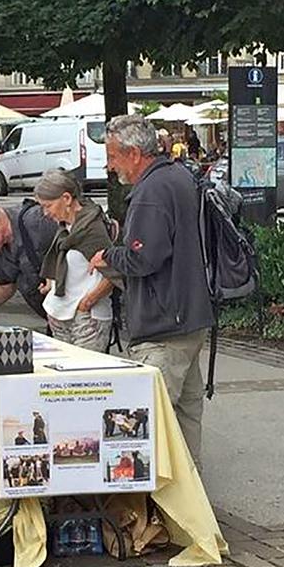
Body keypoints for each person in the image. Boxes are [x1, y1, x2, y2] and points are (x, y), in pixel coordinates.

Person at [90, 115, 214, 464]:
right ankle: (190, 497)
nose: (109, 165)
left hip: (164, 324)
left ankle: (161, 506)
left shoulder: (150, 191)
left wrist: (107, 256)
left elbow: (145, 258)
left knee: (149, 422)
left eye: (112, 156)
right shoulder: (178, 175)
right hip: (190, 315)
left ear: (132, 153)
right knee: (187, 415)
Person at [34, 170, 122, 353]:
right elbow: (64, 260)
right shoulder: (66, 226)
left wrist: (87, 303)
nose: (45, 213)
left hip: (86, 318)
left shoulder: (91, 227)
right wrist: (51, 282)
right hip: (61, 312)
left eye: (48, 206)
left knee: (84, 377)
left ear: (66, 198)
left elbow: (115, 272)